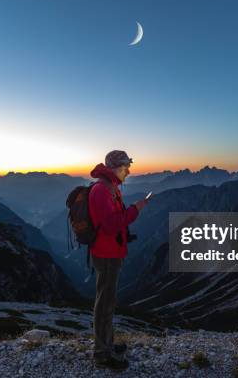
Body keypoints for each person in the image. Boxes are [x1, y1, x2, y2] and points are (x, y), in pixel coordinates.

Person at [88, 150, 149, 371]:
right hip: (106, 255)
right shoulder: (101, 191)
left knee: (108, 301)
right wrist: (136, 209)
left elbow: (114, 221)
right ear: (115, 167)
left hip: (111, 251)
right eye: (125, 167)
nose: (129, 171)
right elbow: (112, 225)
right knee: (104, 303)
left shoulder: (109, 187)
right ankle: (102, 354)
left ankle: (108, 343)